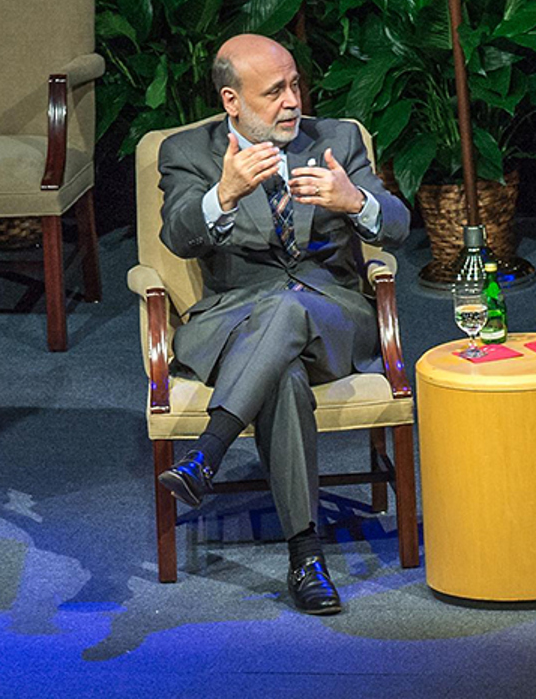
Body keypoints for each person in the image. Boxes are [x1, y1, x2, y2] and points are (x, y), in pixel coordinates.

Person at [155, 34, 410, 615]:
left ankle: (207, 452)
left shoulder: (338, 140)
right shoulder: (188, 152)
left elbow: (396, 223)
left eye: (296, 84)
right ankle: (307, 557)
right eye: (274, 92)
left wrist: (354, 203)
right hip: (234, 319)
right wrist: (224, 193)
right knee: (284, 376)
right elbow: (178, 234)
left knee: (290, 307)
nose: (293, 101)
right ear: (232, 101)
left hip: (333, 314)